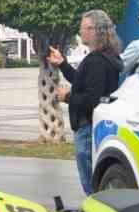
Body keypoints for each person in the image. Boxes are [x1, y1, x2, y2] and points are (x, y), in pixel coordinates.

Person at [49, 10, 123, 194]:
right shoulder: (108, 56)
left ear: (93, 30)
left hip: (88, 128)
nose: (80, 32)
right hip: (95, 126)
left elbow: (92, 99)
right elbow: (84, 83)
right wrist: (63, 65)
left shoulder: (96, 61)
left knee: (92, 189)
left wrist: (67, 97)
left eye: (82, 28)